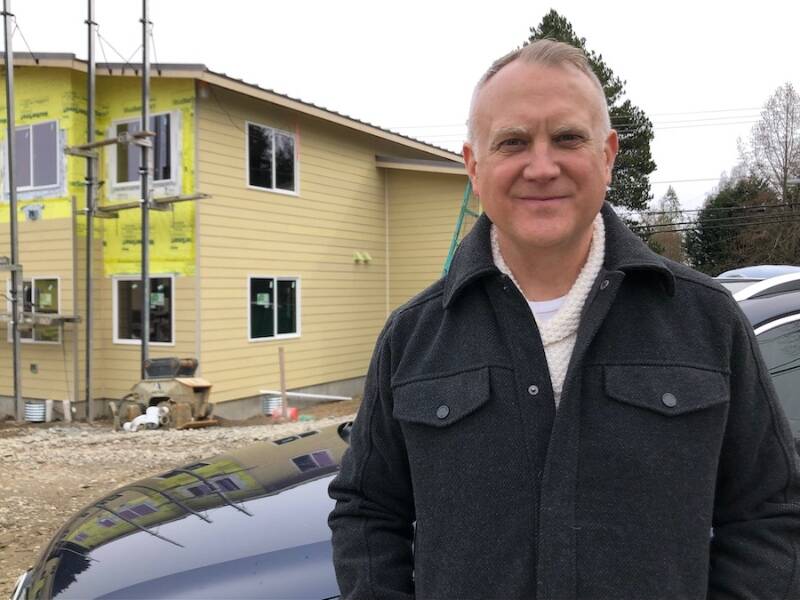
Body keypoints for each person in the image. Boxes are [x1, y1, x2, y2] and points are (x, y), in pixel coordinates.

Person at [328, 40, 800, 599]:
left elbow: (770, 512)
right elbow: (366, 511)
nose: (542, 165)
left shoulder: (707, 321)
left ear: (607, 155)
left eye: (568, 138)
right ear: (474, 166)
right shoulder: (413, 338)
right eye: (513, 142)